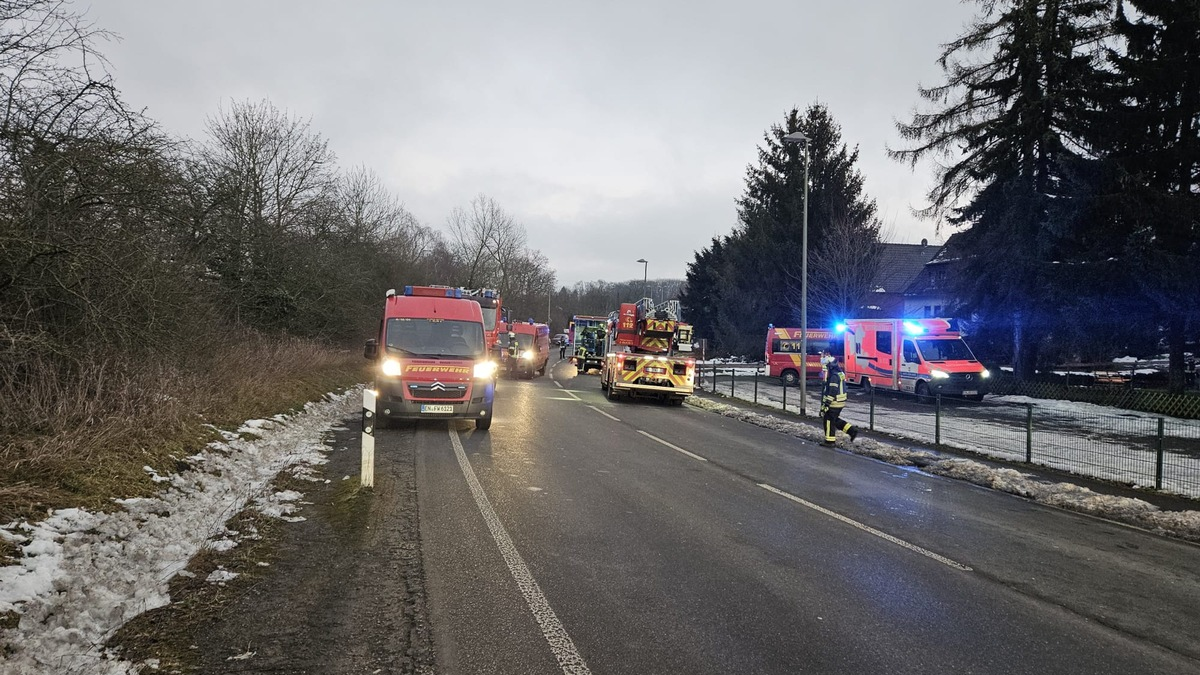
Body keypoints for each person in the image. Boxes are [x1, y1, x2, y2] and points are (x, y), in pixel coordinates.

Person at [820, 355, 859, 446]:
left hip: (835, 402)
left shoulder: (834, 376)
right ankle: (852, 430)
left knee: (828, 420)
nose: (825, 371)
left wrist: (827, 404)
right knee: (834, 419)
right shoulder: (839, 373)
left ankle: (830, 442)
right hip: (840, 401)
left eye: (826, 368)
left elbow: (833, 391)